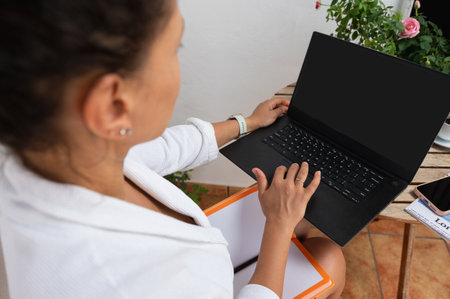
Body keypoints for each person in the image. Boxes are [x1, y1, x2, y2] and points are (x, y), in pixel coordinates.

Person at [0, 1, 345, 298]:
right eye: (174, 50)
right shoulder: (139, 281)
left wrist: (246, 123)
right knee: (330, 258)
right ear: (114, 104)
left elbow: (164, 147)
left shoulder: (48, 145)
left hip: (207, 257)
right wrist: (279, 225)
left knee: (301, 227)